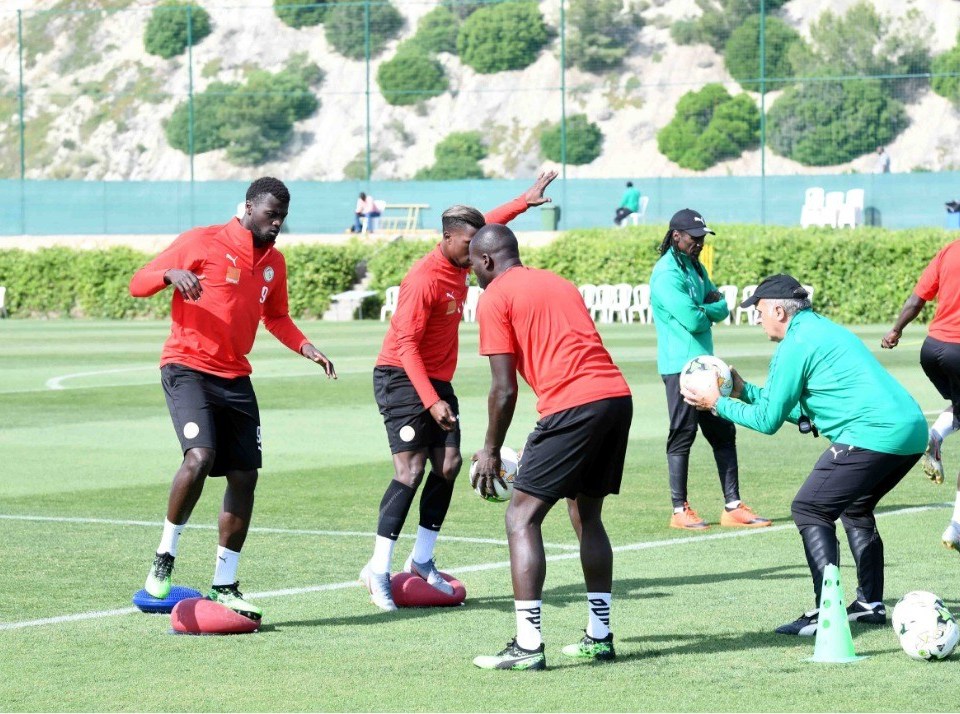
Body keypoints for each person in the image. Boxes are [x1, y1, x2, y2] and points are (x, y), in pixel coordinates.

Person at [129, 177, 337, 619]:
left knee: (244, 476)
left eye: (282, 217)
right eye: (270, 215)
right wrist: (170, 273)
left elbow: (276, 316)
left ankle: (225, 583)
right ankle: (164, 557)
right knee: (200, 457)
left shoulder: (274, 263)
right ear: (248, 207)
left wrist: (307, 347)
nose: (277, 223)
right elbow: (137, 282)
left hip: (234, 376)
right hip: (187, 367)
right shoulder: (202, 241)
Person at [682, 274, 927, 636]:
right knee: (856, 506)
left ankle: (826, 612)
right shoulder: (822, 330)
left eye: (760, 310)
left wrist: (718, 404)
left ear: (779, 310)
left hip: (872, 434)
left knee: (809, 508)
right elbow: (795, 412)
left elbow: (767, 421)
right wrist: (743, 390)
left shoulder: (795, 344)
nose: (758, 317)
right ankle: (869, 605)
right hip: (910, 430)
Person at [359, 171, 559, 612]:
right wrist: (429, 401)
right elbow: (406, 345)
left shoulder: (464, 254)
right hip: (400, 376)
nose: (476, 254)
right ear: (448, 238)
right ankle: (377, 570)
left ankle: (422, 559)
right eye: (468, 246)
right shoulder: (422, 280)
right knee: (410, 471)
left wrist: (524, 201)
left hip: (437, 381)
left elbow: (491, 222)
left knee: (448, 465)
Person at [469, 223, 632, 670]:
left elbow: (503, 390)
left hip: (572, 406)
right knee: (586, 514)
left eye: (472, 267)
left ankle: (527, 646)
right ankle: (599, 637)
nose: (472, 276)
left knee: (521, 516)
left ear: (486, 260)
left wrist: (490, 450)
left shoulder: (494, 297)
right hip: (616, 398)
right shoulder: (557, 281)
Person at [650, 208, 771, 530]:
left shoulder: (694, 266)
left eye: (703, 237)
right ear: (676, 236)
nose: (700, 243)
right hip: (680, 367)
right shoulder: (666, 274)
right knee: (683, 435)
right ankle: (679, 510)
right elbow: (694, 319)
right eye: (694, 237)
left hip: (707, 366)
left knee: (723, 432)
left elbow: (721, 307)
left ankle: (732, 507)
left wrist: (707, 308)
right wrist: (707, 308)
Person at [882, 239, 960, 549]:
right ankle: (956, 527)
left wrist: (895, 330)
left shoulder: (950, 250)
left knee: (959, 407)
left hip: (933, 351)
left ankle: (936, 437)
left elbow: (917, 300)